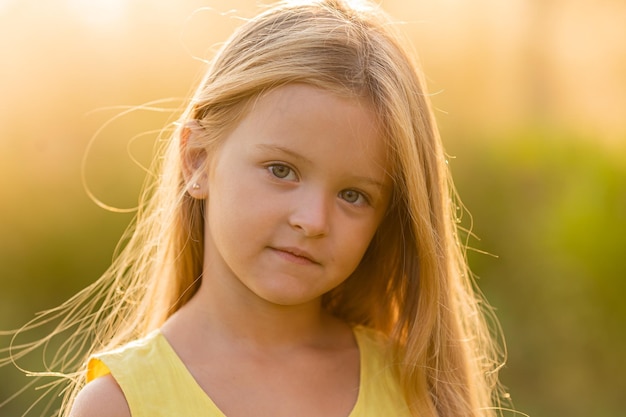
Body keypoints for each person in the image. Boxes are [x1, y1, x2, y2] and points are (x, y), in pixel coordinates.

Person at [6, 1, 509, 416]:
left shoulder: (414, 387)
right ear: (198, 160)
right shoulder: (119, 405)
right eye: (281, 170)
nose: (312, 221)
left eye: (353, 195)